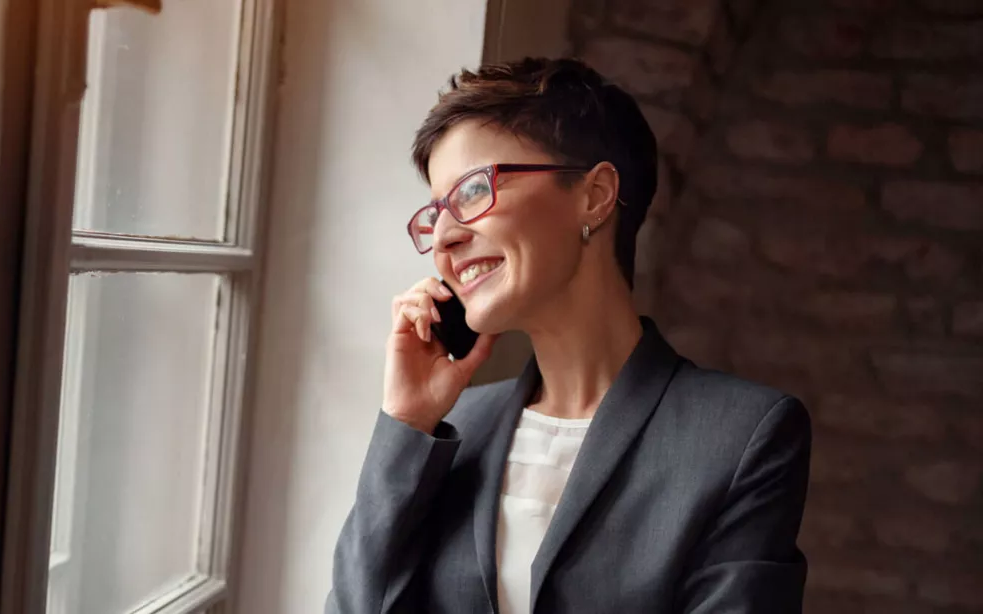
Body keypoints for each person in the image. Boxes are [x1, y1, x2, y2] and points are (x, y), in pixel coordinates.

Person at [326, 58, 811, 613]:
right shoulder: (456, 431)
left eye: (472, 192)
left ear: (595, 195)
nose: (445, 238)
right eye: (435, 213)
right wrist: (406, 424)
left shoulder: (743, 436)